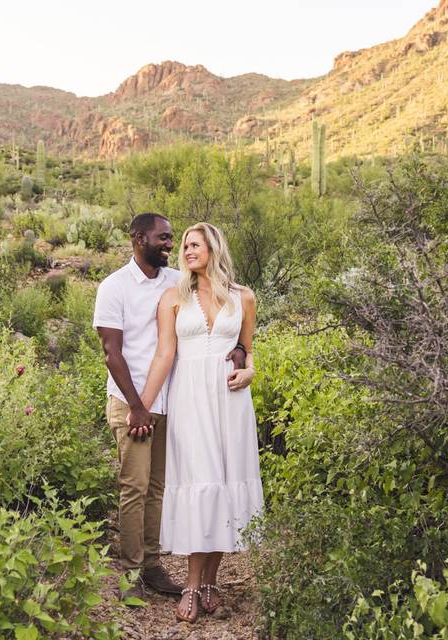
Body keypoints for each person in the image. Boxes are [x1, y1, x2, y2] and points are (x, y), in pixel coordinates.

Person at [93, 213, 247, 601]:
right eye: (164, 239)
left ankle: (153, 566)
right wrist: (137, 407)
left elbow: (224, 325)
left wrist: (244, 354)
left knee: (159, 488)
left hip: (171, 402)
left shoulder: (175, 283)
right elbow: (112, 354)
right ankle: (130, 575)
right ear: (138, 238)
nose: (171, 245)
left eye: (174, 240)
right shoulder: (114, 287)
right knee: (135, 487)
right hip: (132, 401)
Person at [136, 222, 263, 623]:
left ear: (213, 248)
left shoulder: (244, 297)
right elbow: (163, 357)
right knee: (201, 482)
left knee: (225, 485)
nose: (187, 251)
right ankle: (191, 583)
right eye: (185, 246)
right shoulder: (173, 299)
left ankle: (210, 578)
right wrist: (142, 407)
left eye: (195, 244)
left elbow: (247, 352)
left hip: (231, 401)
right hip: (191, 400)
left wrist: (250, 373)